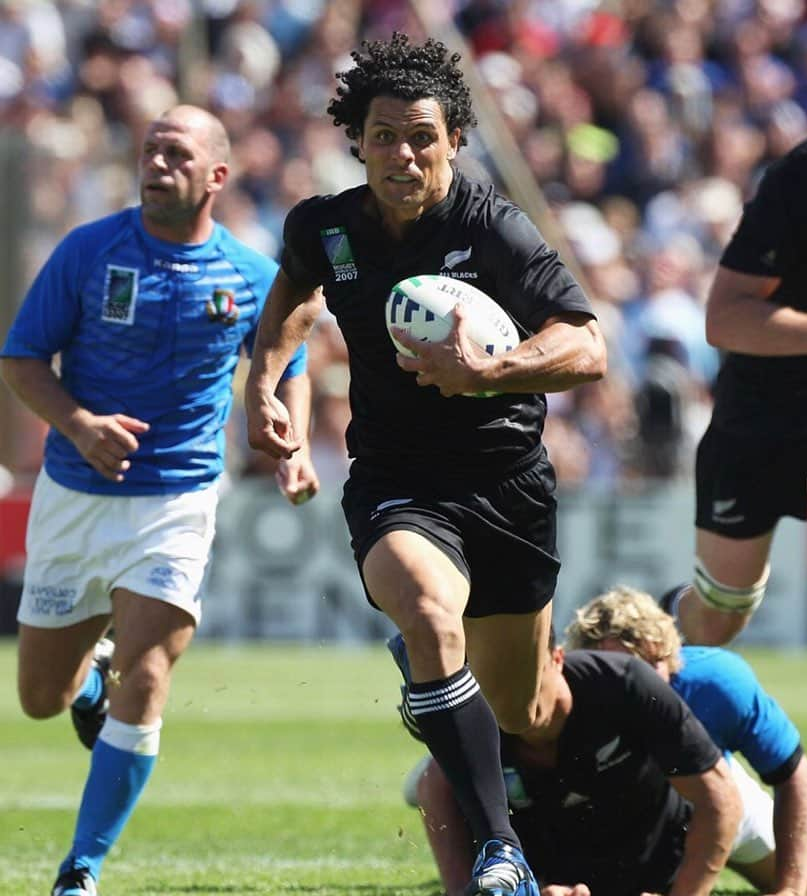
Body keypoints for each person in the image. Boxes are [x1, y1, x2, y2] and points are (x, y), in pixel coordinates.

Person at [243, 32, 606, 896]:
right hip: (397, 482)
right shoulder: (324, 227)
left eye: (421, 137)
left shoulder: (493, 227)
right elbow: (294, 300)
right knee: (433, 623)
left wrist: (493, 371)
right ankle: (500, 851)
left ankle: (539, 701)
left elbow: (587, 347)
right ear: (357, 140)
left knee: (525, 710)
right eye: (383, 136)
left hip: (508, 485)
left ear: (452, 142)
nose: (401, 155)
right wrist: (262, 382)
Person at [0, 104, 318, 896]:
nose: (155, 164)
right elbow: (21, 359)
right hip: (76, 496)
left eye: (175, 153)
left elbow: (293, 361)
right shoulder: (88, 251)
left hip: (177, 502)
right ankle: (92, 676)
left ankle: (82, 868)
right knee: (43, 699)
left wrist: (294, 443)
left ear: (216, 176)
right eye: (150, 151)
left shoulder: (248, 276)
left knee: (150, 678)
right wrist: (78, 424)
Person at [653, 44, 807, 866]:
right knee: (716, 620)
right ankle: (619, 669)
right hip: (761, 412)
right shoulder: (800, 185)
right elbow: (725, 318)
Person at [402, 629, 741, 896]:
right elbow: (435, 788)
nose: (515, 692)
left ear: (558, 658)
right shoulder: (482, 710)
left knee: (771, 859)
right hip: (557, 859)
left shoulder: (625, 684)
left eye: (528, 673)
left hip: (671, 835)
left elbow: (721, 801)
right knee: (436, 776)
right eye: (497, 679)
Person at [565, 587, 807, 896]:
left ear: (670, 655)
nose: (635, 680)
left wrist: (790, 888)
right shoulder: (569, 698)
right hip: (623, 812)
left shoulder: (716, 682)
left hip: (719, 788)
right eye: (618, 668)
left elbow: (793, 771)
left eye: (649, 664)